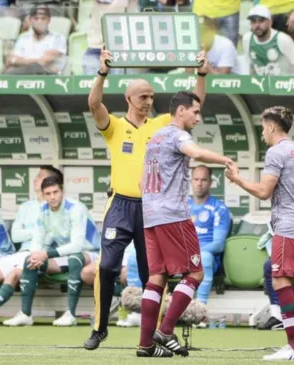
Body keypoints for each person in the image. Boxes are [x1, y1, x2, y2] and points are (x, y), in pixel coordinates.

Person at [83, 49, 209, 350]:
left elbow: (193, 104)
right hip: (120, 204)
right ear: (129, 98)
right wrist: (102, 73)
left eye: (151, 96)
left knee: (155, 274)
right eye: (143, 97)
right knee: (107, 266)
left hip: (153, 210)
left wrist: (202, 74)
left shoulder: (162, 124)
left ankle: (154, 336)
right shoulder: (114, 126)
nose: (149, 102)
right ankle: (99, 328)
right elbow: (93, 103)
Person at [137, 91, 233, 358]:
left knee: (156, 278)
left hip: (150, 216)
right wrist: (224, 159)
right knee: (195, 274)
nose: (198, 118)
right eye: (195, 111)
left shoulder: (155, 138)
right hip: (173, 215)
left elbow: (140, 183)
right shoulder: (179, 136)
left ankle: (146, 345)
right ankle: (166, 331)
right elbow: (196, 152)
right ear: (180, 110)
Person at [227, 106, 294, 361]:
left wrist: (237, 179)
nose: (262, 132)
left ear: (273, 126)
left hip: (288, 225)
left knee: (280, 282)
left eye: (263, 127)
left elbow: (264, 191)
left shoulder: (276, 152)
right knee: (290, 284)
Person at [4, 175, 101, 326]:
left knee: (75, 258)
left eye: (55, 192)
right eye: (48, 194)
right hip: (65, 254)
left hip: (92, 252)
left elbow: (77, 245)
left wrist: (46, 254)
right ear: (43, 195)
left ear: (62, 191)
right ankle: (25, 314)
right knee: (29, 260)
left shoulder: (76, 208)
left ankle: (71, 314)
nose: (53, 197)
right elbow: (37, 238)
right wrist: (36, 255)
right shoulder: (43, 210)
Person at [0, 166, 62, 325]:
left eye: (40, 177)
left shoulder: (58, 209)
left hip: (43, 254)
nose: (34, 180)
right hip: (21, 253)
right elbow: (16, 235)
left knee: (13, 274)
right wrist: (38, 230)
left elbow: (47, 239)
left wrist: (33, 231)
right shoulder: (26, 206)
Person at [189, 165, 231, 324]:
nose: (199, 183)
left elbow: (218, 245)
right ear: (191, 181)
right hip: (181, 255)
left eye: (204, 180)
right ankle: (141, 312)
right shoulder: (182, 206)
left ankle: (200, 313)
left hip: (206, 256)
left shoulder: (219, 208)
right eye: (196, 179)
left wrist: (195, 254)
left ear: (210, 183)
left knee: (204, 258)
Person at [82, 243, 142, 328]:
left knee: (126, 271)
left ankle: (136, 312)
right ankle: (103, 314)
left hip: (136, 257)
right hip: (116, 257)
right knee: (92, 272)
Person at [242, 5, 294, 76]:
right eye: (253, 22)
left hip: (283, 83)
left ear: (270, 22)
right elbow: (251, 66)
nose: (257, 25)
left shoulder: (282, 39)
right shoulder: (247, 39)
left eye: (261, 21)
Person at [4, 5, 67, 75]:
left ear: (49, 20)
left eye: (43, 18)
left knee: (35, 67)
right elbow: (10, 60)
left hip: (48, 76)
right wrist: (15, 61)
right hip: (24, 74)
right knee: (7, 71)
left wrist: (17, 61)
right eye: (36, 18)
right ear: (30, 20)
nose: (39, 22)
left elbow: (43, 62)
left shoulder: (58, 38)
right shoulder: (23, 37)